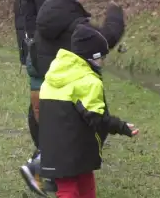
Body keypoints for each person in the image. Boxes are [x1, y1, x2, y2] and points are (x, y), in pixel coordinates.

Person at [20, 0, 125, 196]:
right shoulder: (75, 22)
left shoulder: (48, 12)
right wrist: (115, 16)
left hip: (52, 86)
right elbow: (104, 41)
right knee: (82, 135)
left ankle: (43, 169)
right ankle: (37, 166)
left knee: (58, 137)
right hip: (75, 87)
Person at [39, 24, 139, 198]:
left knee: (76, 182)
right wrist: (122, 127)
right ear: (91, 57)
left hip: (53, 148)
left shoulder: (53, 74)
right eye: (101, 58)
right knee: (75, 189)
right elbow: (97, 118)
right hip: (77, 149)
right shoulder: (88, 81)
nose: (103, 62)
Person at [13, 0, 62, 196]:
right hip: (44, 55)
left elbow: (24, 23)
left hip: (30, 54)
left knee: (40, 108)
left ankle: (42, 163)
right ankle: (41, 168)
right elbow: (51, 21)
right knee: (53, 110)